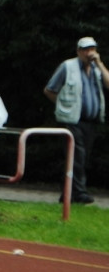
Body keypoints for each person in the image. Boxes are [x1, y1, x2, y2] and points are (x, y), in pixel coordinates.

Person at [44, 37, 109, 204]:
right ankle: (79, 193)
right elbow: (50, 90)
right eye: (86, 50)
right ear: (78, 51)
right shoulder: (67, 67)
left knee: (82, 158)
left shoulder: (97, 69)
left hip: (91, 121)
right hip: (72, 120)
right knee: (77, 157)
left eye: (92, 49)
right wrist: (64, 106)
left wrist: (100, 65)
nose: (89, 53)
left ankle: (67, 194)